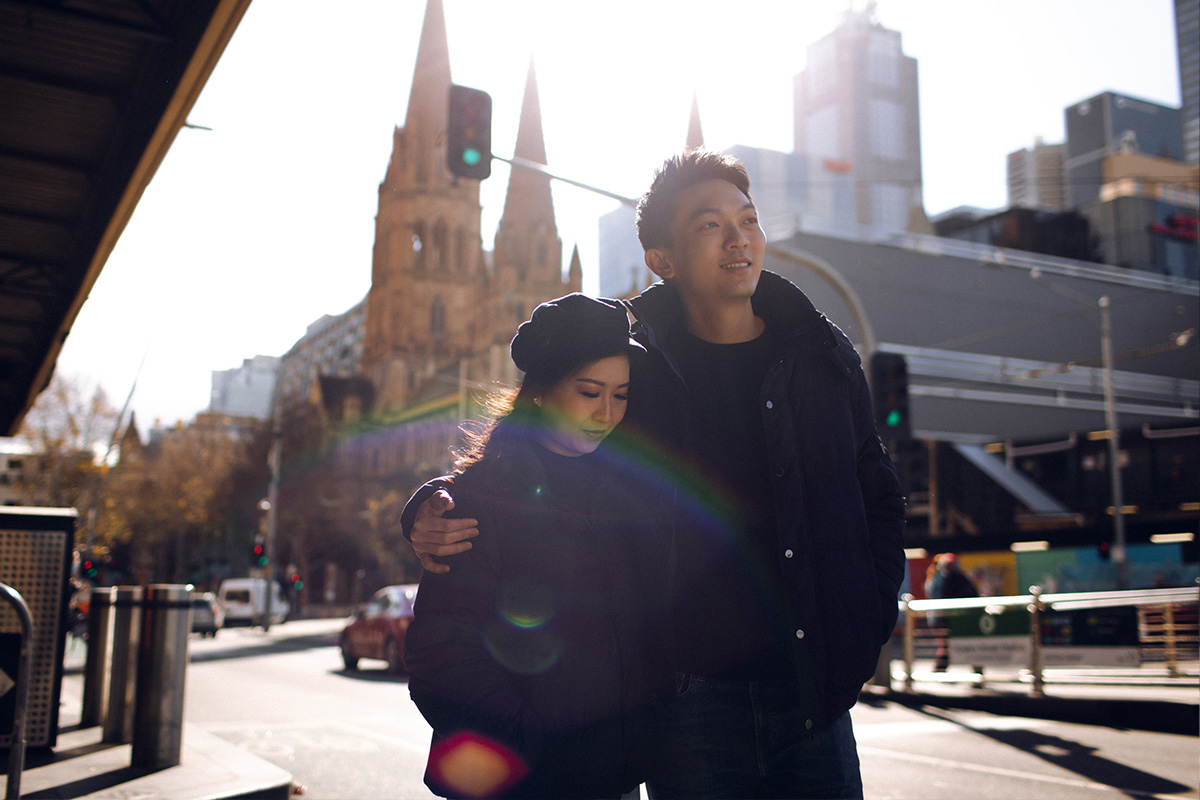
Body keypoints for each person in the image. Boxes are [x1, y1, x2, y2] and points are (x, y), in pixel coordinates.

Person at [405, 149, 907, 799]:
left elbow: (878, 494)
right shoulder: (627, 365)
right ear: (662, 260)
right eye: (709, 224)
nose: (738, 238)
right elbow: (534, 461)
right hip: (685, 703)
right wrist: (429, 502)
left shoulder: (821, 350)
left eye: (748, 219)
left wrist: (863, 625)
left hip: (813, 696)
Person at [403, 293, 671, 799]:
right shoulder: (480, 499)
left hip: (615, 778)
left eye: (621, 394)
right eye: (590, 392)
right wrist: (527, 749)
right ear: (542, 394)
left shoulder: (627, 491)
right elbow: (442, 654)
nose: (607, 412)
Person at [924, 553, 979, 672]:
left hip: (938, 618)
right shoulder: (952, 578)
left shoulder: (935, 577)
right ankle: (976, 670)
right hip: (952, 618)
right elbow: (969, 594)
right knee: (963, 644)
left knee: (945, 645)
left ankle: (940, 668)